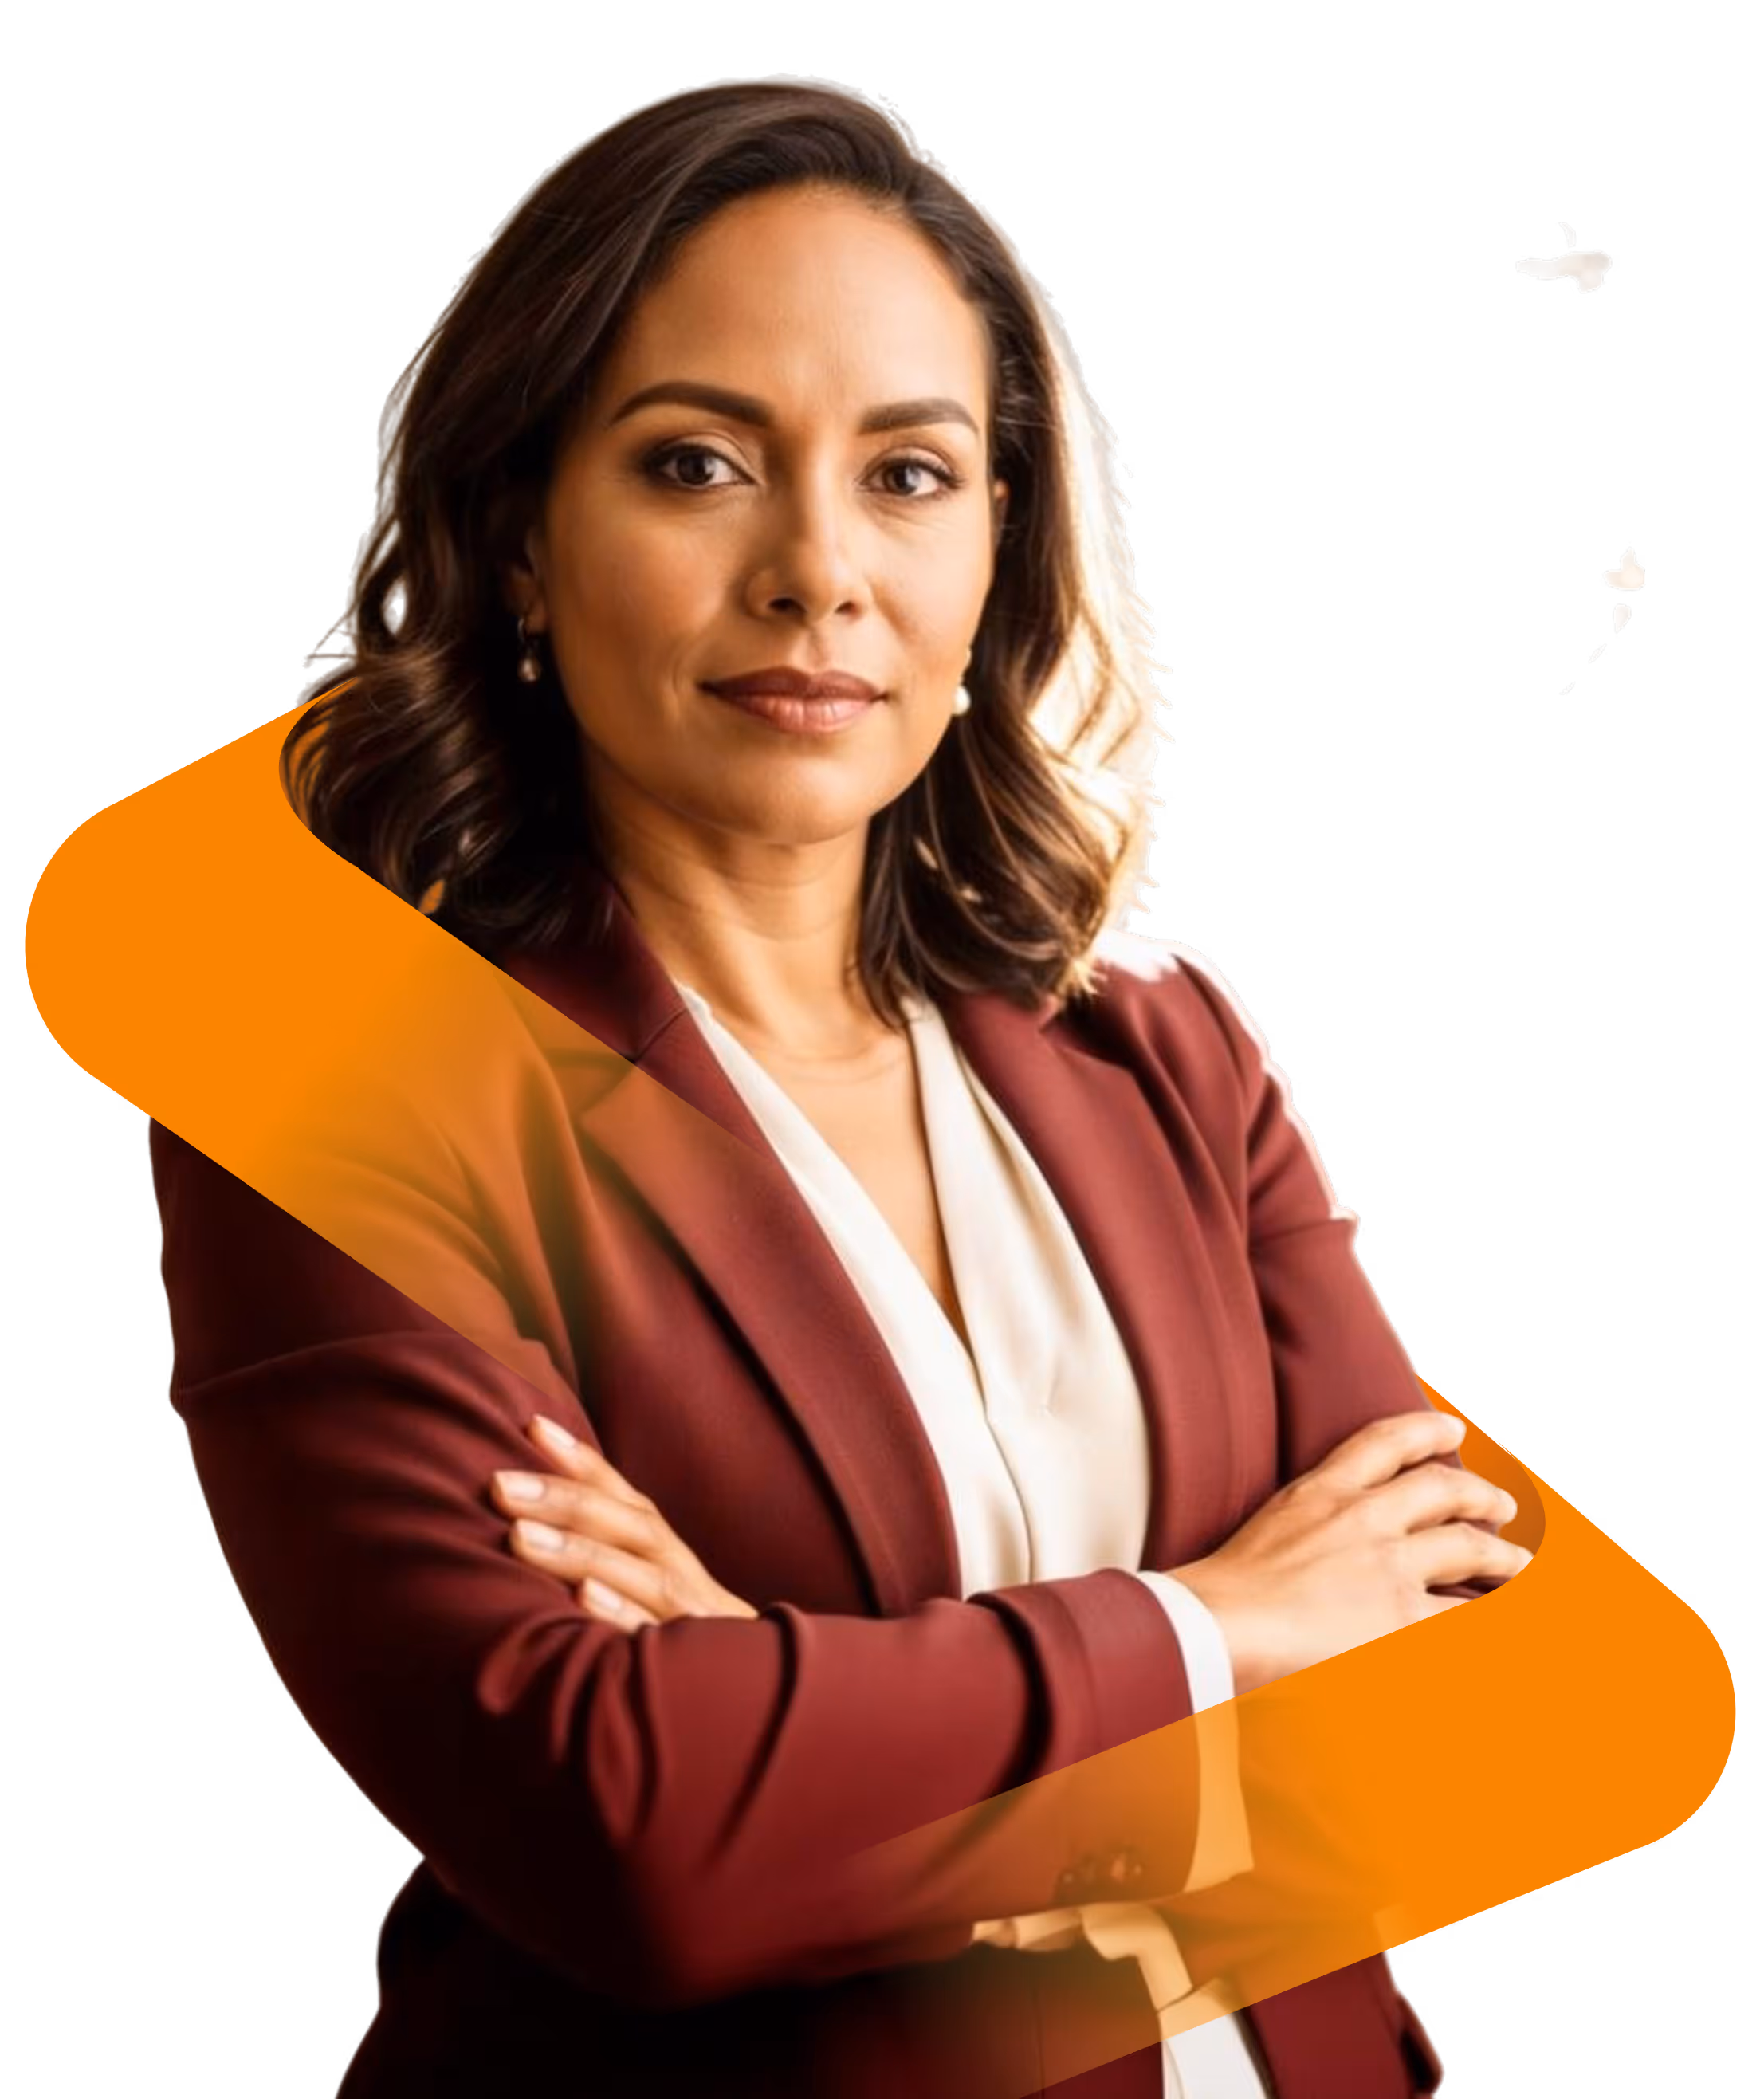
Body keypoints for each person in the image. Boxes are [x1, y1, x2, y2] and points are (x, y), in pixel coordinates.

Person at [149, 75, 1526, 2097]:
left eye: (906, 473)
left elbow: (1463, 1717)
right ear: (518, 541)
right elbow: (637, 1848)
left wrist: (780, 1698)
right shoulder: (338, 1085)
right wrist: (1218, 1630)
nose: (815, 570)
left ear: (1000, 545)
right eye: (697, 463)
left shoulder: (1164, 1045)